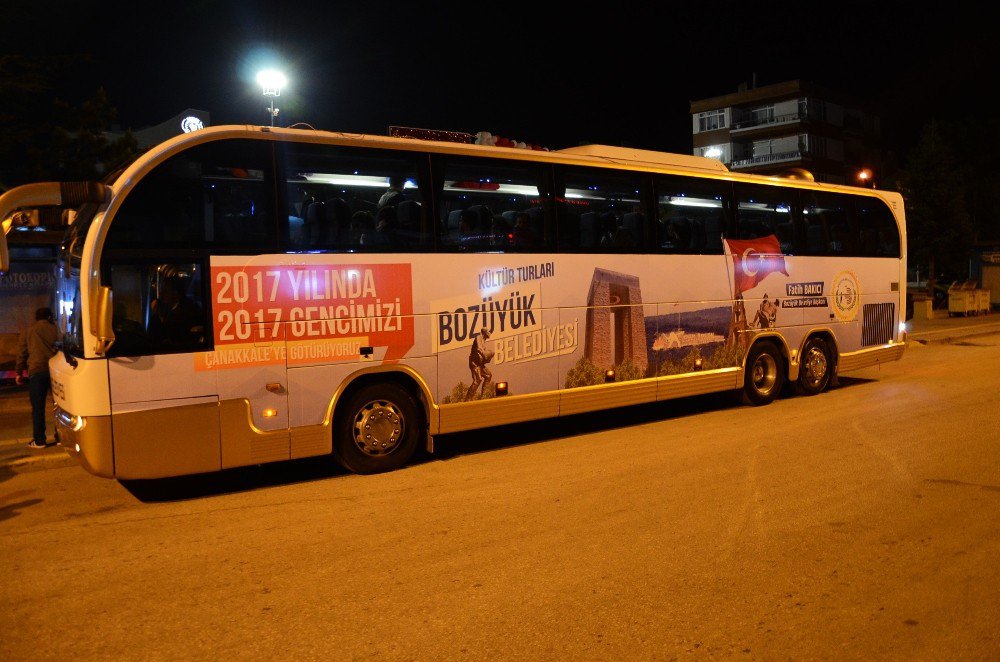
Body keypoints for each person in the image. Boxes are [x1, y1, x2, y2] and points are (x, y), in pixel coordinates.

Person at [15, 307, 58, 449]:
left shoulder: (28, 331)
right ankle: (61, 437)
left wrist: (19, 372)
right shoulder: (56, 330)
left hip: (36, 372)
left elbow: (22, 353)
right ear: (49, 317)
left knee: (38, 408)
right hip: (54, 371)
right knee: (59, 406)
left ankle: (39, 441)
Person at [150, 275, 203, 348]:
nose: (162, 294)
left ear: (176, 293)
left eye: (166, 290)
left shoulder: (188, 311)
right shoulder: (164, 307)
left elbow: (182, 336)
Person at [465, 328, 494, 401]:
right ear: (484, 332)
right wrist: (485, 356)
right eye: (488, 332)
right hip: (474, 363)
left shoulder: (483, 340)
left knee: (488, 375)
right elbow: (479, 349)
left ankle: (483, 396)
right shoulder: (479, 337)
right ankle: (467, 400)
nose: (489, 333)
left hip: (479, 363)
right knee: (477, 380)